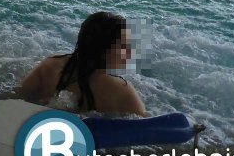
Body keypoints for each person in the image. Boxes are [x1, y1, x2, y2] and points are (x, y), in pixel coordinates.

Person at [17, 11, 146, 116]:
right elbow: (145, 129)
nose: (131, 52)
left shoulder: (50, 66)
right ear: (102, 49)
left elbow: (15, 98)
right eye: (124, 46)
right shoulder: (120, 90)